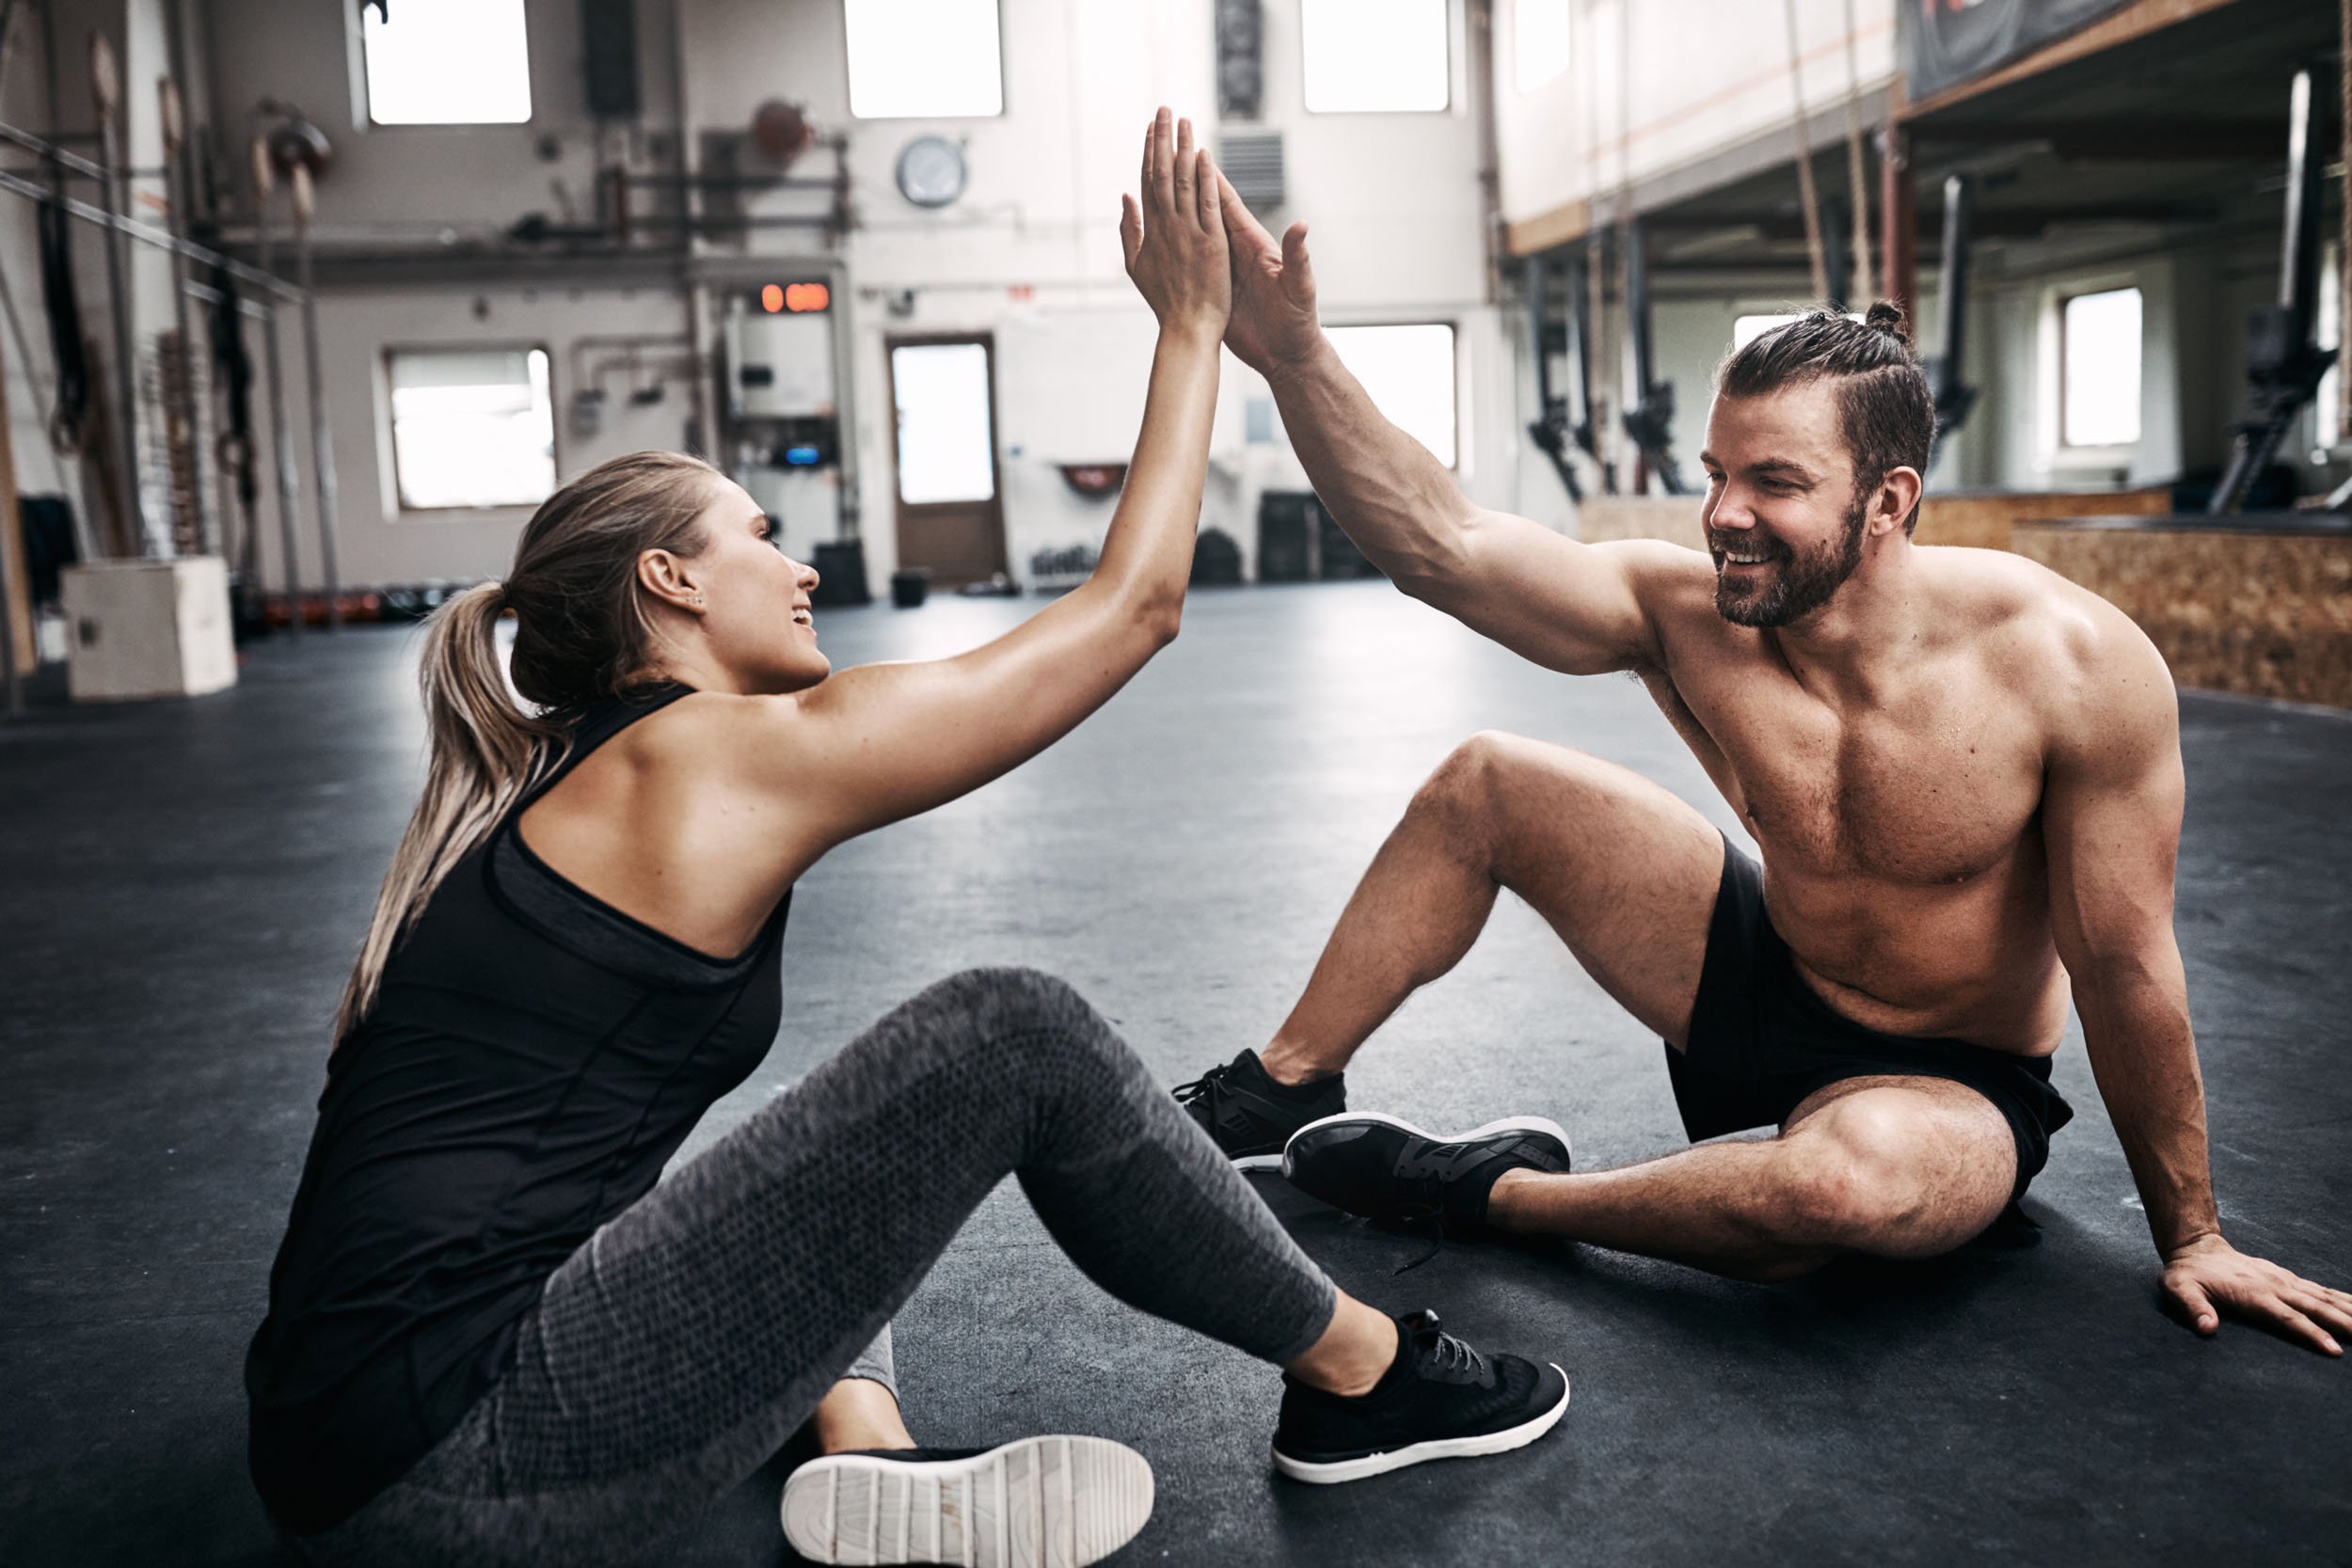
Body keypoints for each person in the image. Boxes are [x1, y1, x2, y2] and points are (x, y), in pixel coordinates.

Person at [244, 114, 1568, 1568]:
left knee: (831, 1121)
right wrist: (1197, 330)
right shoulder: (696, 758)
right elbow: (1129, 611)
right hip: (454, 1460)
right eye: (758, 532)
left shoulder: (572, 779)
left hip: (354, 1440)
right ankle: (1367, 1378)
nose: (801, 559)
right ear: (670, 578)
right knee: (1013, 1032)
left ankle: (869, 1452)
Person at [1172, 175, 2351, 1356]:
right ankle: (1284, 1082)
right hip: (1756, 970)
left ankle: (1486, 1190)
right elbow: (1444, 544)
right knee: (1488, 778)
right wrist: (1291, 359)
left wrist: (2192, 1234)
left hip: (1948, 1075)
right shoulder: (1687, 610)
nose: (1723, 514)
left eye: (1774, 483)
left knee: (1838, 1193)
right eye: (1714, 474)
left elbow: (2125, 959)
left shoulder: (2071, 667)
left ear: (1887, 502)